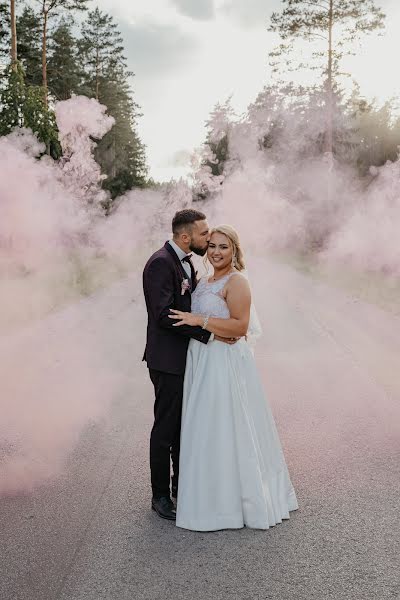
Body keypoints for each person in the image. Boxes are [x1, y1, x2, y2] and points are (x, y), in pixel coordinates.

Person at [169, 225, 298, 531]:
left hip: (224, 363)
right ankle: (208, 496)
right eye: (212, 245)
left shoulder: (237, 281)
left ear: (235, 250)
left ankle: (236, 503)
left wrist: (200, 321)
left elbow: (239, 328)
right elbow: (218, 323)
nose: (216, 251)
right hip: (201, 361)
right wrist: (210, 326)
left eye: (223, 247)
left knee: (229, 427)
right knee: (205, 429)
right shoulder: (205, 281)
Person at [142, 210, 235, 521]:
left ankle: (183, 486)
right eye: (203, 233)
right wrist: (206, 331)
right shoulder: (160, 263)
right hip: (167, 360)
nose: (208, 238)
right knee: (166, 427)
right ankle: (160, 496)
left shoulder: (187, 262)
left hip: (187, 357)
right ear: (185, 237)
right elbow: (163, 315)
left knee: (185, 425)